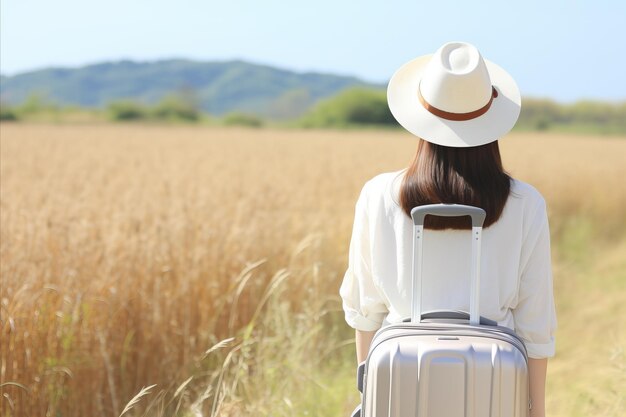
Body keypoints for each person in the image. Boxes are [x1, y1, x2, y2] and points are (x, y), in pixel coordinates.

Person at [339, 42, 557, 417]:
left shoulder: (378, 194)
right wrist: (535, 412)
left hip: (399, 382)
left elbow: (365, 310)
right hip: (493, 388)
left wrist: (368, 398)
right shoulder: (525, 202)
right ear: (491, 119)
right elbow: (535, 326)